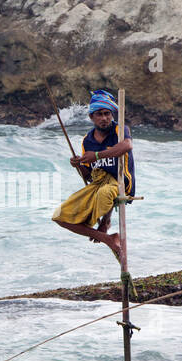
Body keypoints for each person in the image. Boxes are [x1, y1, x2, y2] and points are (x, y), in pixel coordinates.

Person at [51, 89, 134, 260]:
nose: (104, 118)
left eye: (107, 114)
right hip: (98, 183)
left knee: (105, 194)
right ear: (91, 117)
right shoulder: (87, 140)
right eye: (99, 114)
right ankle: (107, 238)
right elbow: (89, 176)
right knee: (60, 216)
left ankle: (105, 223)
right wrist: (78, 165)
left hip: (119, 183)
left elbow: (126, 146)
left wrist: (97, 155)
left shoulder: (120, 130)